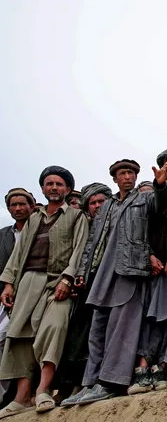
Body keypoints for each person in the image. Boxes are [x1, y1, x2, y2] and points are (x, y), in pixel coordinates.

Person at [62, 159, 167, 406]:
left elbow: (161, 204)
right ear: (115, 178)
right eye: (123, 173)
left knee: (122, 326)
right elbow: (93, 241)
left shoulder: (143, 199)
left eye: (131, 173)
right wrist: (83, 270)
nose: (128, 177)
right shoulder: (107, 205)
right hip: (102, 271)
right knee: (98, 327)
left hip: (129, 268)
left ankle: (111, 382)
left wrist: (160, 186)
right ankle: (91, 382)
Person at [0, 167, 88, 417]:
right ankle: (21, 397)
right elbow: (18, 255)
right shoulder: (34, 219)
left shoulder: (75, 216)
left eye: (59, 184)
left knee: (54, 327)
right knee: (20, 336)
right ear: (42, 189)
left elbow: (79, 250)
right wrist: (9, 283)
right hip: (27, 282)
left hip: (57, 281)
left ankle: (43, 390)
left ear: (67, 189)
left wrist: (68, 279)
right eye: (49, 184)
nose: (54, 188)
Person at [129, 148, 167, 394]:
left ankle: (164, 365)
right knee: (148, 319)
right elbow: (146, 226)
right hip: (153, 267)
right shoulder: (152, 194)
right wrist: (150, 256)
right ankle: (143, 366)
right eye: (166, 162)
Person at [55, 182, 112, 401]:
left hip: (107, 283)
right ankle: (69, 385)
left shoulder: (115, 222)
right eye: (93, 202)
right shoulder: (82, 225)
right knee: (77, 336)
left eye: (101, 201)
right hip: (84, 287)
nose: (97, 206)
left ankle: (91, 381)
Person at [0, 189, 35, 405]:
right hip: (6, 298)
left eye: (22, 204)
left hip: (32, 294)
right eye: (13, 205)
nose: (18, 208)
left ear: (31, 206)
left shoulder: (40, 229)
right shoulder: (3, 235)